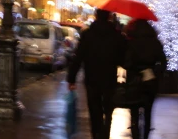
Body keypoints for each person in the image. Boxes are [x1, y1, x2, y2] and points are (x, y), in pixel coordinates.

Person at [68, 9, 127, 139]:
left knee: (94, 110)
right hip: (109, 78)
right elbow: (123, 60)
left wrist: (71, 78)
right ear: (110, 16)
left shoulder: (87, 35)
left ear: (96, 16)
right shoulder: (117, 36)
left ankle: (96, 134)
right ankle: (105, 134)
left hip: (91, 78)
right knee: (108, 109)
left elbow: (78, 57)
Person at [124, 19, 166, 139]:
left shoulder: (131, 43)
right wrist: (155, 72)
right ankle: (146, 135)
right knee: (148, 111)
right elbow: (163, 62)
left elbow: (127, 63)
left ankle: (135, 134)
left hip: (135, 80)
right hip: (151, 79)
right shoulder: (155, 42)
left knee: (134, 111)